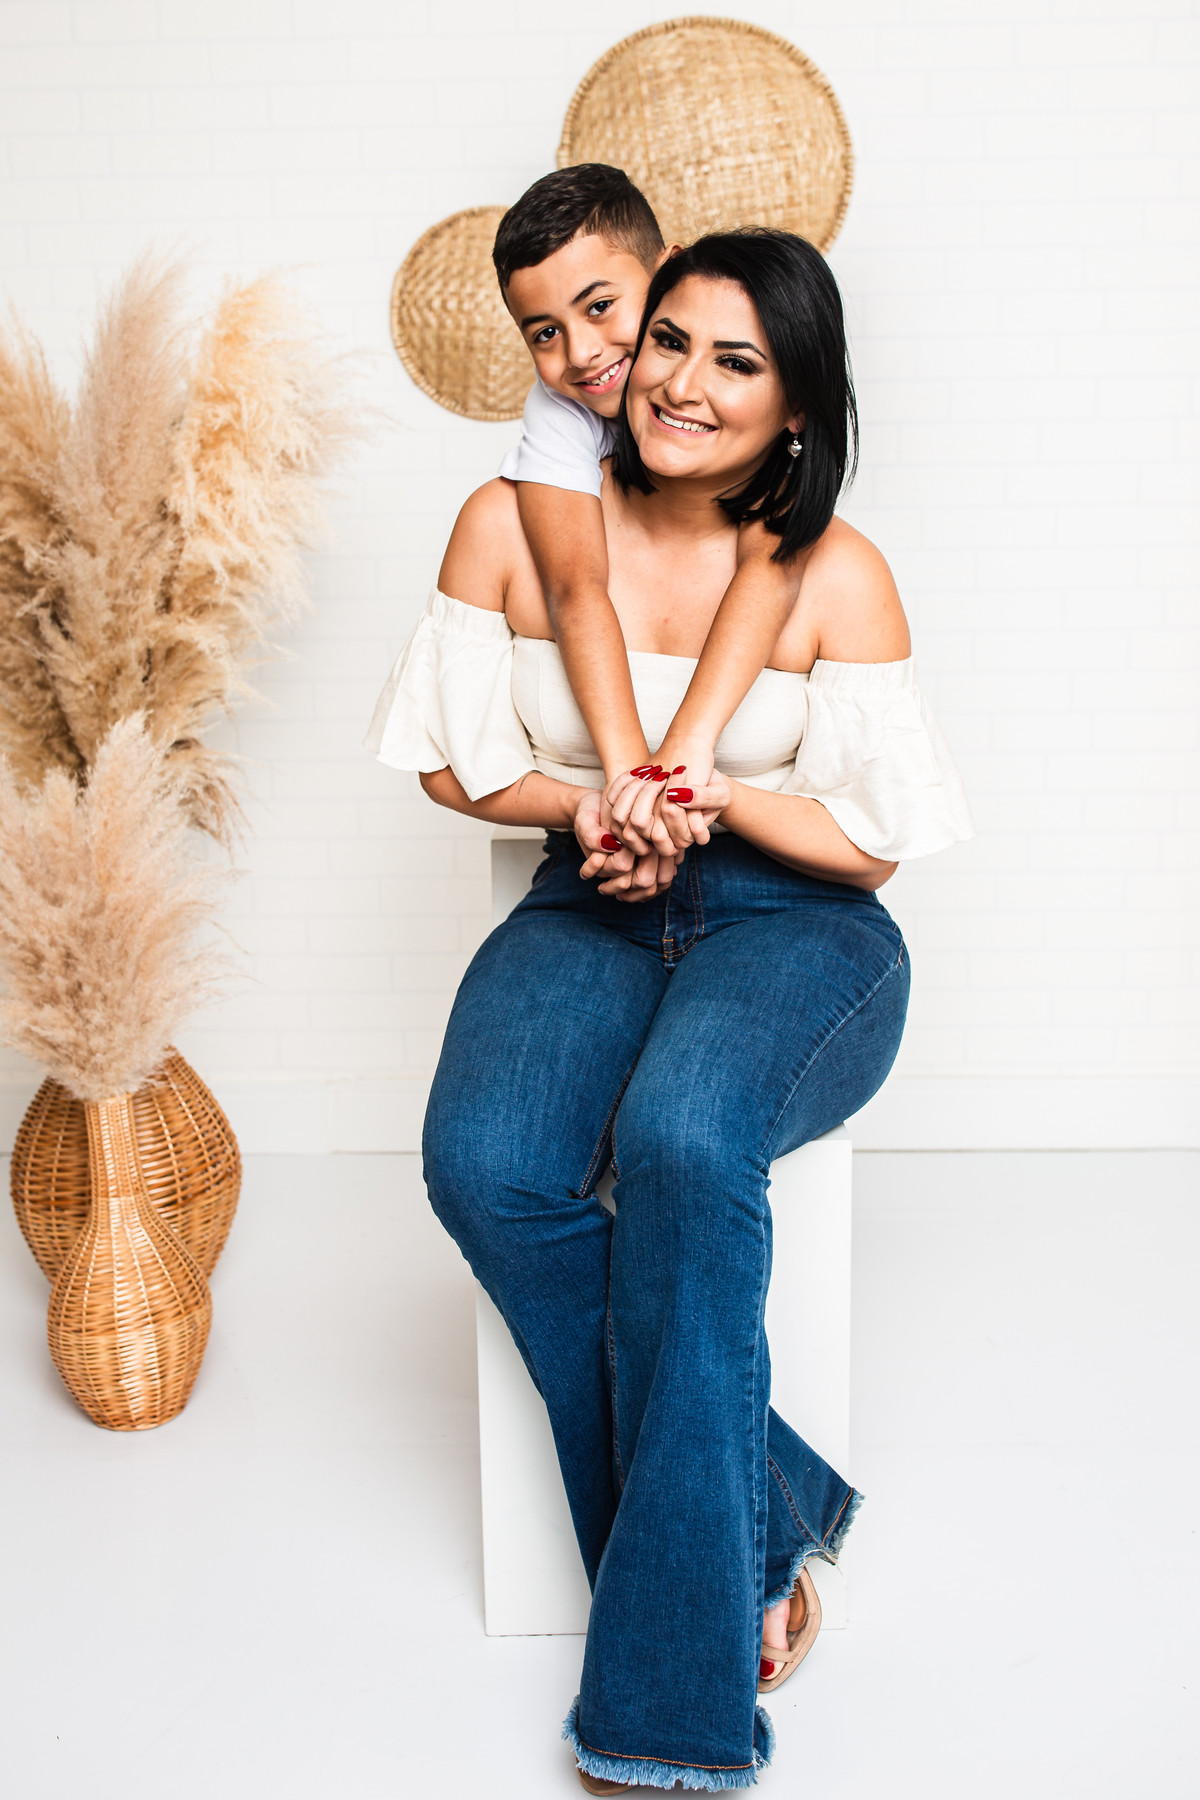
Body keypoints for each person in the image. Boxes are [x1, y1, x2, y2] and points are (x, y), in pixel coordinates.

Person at [367, 229, 973, 1790]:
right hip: (593, 902)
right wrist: (591, 805)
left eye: (738, 362)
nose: (683, 384)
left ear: (796, 403)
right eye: (672, 341)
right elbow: (450, 761)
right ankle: (761, 1519)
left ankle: (668, 1720)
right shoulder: (515, 524)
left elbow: (873, 846)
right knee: (487, 1164)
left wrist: (715, 800)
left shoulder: (836, 567)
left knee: (687, 1142)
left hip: (801, 930)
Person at [494, 164, 805, 867]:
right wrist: (634, 788)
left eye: (600, 306)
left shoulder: (732, 395)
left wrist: (684, 752)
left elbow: (771, 561)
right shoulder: (562, 414)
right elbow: (575, 585)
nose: (581, 353)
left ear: (667, 271)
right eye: (544, 333)